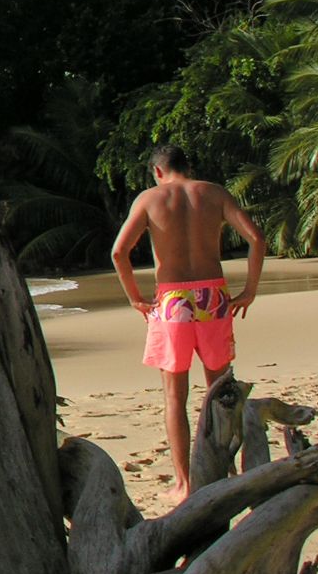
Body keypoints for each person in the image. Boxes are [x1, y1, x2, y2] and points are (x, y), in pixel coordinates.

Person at [110, 143, 266, 504]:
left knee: (174, 396)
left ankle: (184, 484)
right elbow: (257, 239)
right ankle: (225, 472)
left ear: (157, 171)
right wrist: (250, 290)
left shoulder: (150, 199)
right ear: (187, 166)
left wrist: (134, 297)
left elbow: (119, 252)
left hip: (173, 300)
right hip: (213, 297)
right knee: (220, 393)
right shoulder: (213, 193)